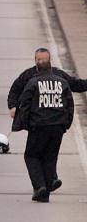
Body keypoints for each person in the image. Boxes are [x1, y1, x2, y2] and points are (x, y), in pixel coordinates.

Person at [7, 47, 87, 190]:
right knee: (47, 154)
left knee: (40, 154)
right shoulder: (28, 76)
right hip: (43, 123)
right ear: (35, 60)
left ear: (50, 60)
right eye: (39, 59)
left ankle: (45, 184)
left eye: (44, 59)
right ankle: (49, 182)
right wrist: (13, 106)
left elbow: (75, 85)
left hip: (48, 124)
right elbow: (15, 91)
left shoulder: (59, 76)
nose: (42, 61)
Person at [17, 67, 74, 202]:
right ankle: (46, 191)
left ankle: (40, 186)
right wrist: (65, 125)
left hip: (39, 126)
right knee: (50, 158)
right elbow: (70, 106)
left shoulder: (33, 82)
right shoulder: (62, 83)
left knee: (31, 156)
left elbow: (24, 106)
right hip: (58, 126)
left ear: (38, 70)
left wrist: (26, 125)